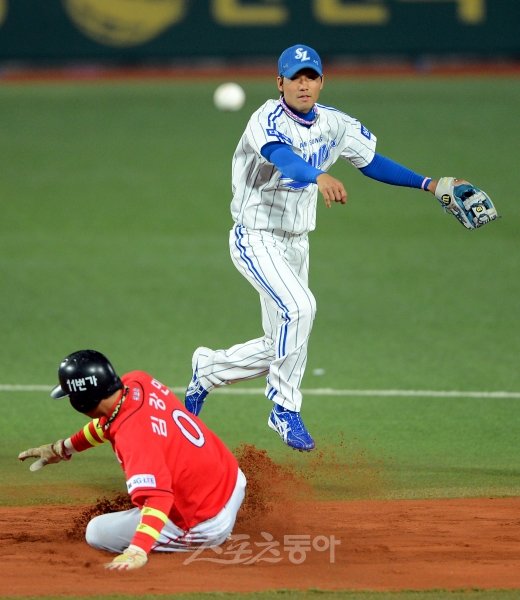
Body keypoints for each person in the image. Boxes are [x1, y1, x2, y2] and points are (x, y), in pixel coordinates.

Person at [184, 43, 481, 452]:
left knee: (285, 339)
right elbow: (283, 158)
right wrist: (318, 176)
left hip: (296, 243)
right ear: (280, 83)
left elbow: (372, 160)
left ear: (322, 82)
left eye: (311, 77)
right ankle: (283, 408)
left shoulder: (335, 125)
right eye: (295, 77)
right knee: (301, 309)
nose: (303, 85)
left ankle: (209, 368)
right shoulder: (264, 119)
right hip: (255, 237)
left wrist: (430, 184)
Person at [18, 350, 246, 571]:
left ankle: (187, 540)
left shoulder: (133, 437)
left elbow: (158, 498)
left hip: (206, 522)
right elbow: (107, 425)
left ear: (82, 401)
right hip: (233, 481)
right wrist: (61, 448)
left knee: (96, 531)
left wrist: (137, 550)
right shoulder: (138, 382)